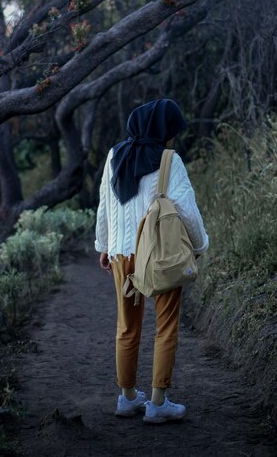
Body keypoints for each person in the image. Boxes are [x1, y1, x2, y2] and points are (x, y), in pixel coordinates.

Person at [95, 99, 209, 424]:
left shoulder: (114, 155)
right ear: (163, 131)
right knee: (166, 325)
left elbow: (104, 203)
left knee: (126, 326)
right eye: (172, 131)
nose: (172, 138)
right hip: (159, 255)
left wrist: (103, 244)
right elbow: (186, 210)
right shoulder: (169, 161)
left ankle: (127, 398)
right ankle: (158, 402)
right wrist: (200, 245)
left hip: (121, 255)